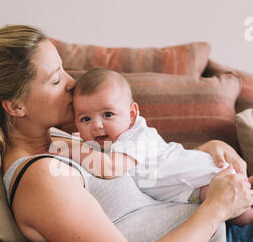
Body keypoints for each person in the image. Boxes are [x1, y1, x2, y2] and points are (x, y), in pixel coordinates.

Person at [0, 24, 252, 242]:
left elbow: (149, 166)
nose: (72, 84)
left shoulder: (59, 138)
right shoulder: (41, 179)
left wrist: (210, 150)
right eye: (56, 79)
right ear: (15, 106)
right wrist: (217, 207)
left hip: (221, 223)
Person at [51, 68, 253, 226]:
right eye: (85, 118)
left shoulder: (135, 136)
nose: (96, 125)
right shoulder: (105, 141)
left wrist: (73, 149)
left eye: (107, 114)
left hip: (203, 178)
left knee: (242, 215)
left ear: (131, 114)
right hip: (190, 190)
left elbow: (110, 168)